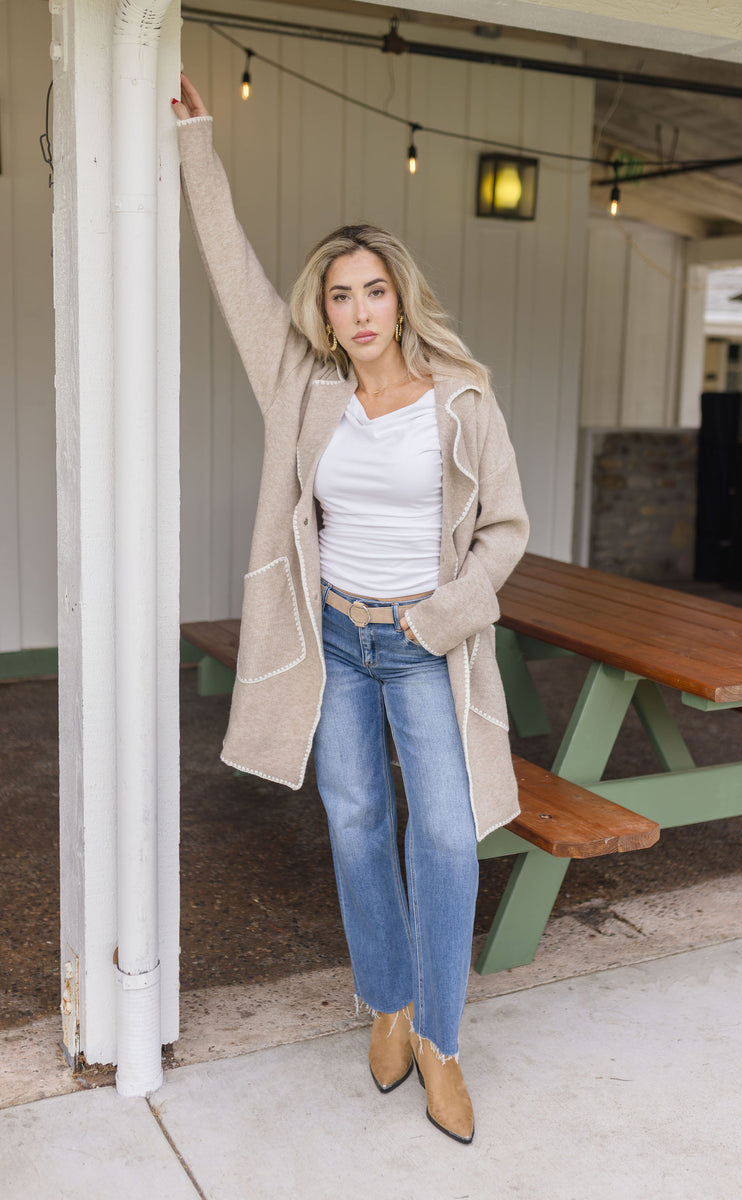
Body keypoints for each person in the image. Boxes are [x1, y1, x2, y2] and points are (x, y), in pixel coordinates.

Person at [173, 74, 529, 1145]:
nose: (359, 311)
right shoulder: (305, 387)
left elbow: (504, 530)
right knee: (358, 819)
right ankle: (387, 1002)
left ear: (399, 299)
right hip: (332, 636)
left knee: (448, 836)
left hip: (423, 643)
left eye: (373, 291)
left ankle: (442, 1041)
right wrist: (195, 144)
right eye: (340, 296)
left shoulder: (460, 396)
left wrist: (442, 617)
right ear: (322, 311)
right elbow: (233, 271)